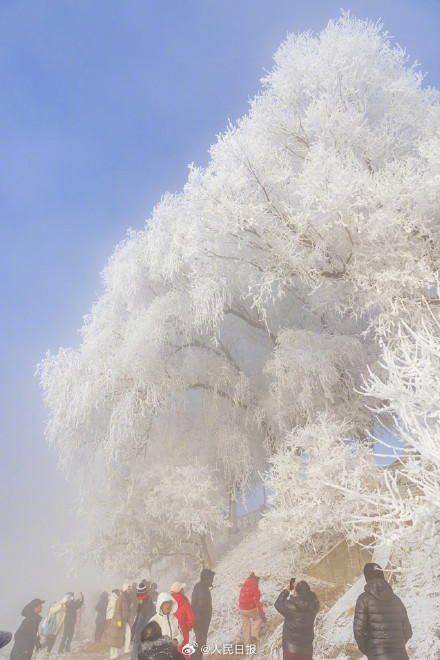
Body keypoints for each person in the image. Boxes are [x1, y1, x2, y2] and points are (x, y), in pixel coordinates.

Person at [353, 563, 412, 660]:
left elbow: (358, 631)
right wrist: (398, 647)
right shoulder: (397, 600)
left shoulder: (363, 599)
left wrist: (369, 651)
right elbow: (408, 631)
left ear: (367, 578)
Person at [274, 580, 319, 660]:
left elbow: (278, 604)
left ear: (297, 592)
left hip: (291, 649)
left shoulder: (291, 605)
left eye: (295, 590)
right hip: (306, 651)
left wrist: (287, 590)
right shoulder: (313, 606)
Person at [191, 569, 215, 660]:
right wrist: (203, 616)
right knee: (201, 643)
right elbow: (201, 603)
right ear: (207, 578)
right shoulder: (203, 588)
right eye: (211, 578)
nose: (212, 581)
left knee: (199, 642)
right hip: (200, 620)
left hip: (198, 618)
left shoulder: (198, 586)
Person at [239, 572, 266, 646]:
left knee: (246, 627)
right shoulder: (254, 586)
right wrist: (261, 612)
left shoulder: (246, 582)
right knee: (259, 618)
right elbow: (257, 601)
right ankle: (254, 635)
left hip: (241, 608)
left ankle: (247, 646)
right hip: (249, 608)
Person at [131, 581, 155, 660]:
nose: (139, 601)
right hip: (138, 637)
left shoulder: (148, 608)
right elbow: (137, 622)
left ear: (144, 597)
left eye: (140, 599)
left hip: (143, 637)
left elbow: (148, 623)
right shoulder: (141, 606)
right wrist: (133, 633)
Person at [107, 584, 132, 659]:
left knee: (128, 632)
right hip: (118, 621)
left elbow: (125, 610)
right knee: (114, 637)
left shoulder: (126, 598)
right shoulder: (120, 599)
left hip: (123, 620)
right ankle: (113, 655)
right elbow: (117, 610)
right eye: (128, 589)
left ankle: (126, 649)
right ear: (125, 590)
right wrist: (118, 620)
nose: (129, 590)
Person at [170, 583, 195, 655]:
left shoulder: (168, 603)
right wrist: (186, 628)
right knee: (183, 653)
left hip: (171, 631)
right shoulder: (185, 603)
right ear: (180, 591)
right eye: (182, 589)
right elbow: (191, 620)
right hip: (183, 633)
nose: (184, 590)